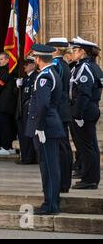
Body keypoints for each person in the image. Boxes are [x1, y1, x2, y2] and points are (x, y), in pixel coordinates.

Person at [26, 44, 65, 215]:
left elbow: (43, 104)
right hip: (50, 125)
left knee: (48, 167)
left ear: (38, 59)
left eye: (34, 57)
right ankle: (52, 200)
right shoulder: (52, 73)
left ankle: (50, 204)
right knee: (51, 165)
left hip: (46, 127)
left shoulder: (44, 76)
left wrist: (39, 127)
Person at [69, 37, 102, 190]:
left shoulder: (85, 68)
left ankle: (89, 179)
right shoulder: (92, 66)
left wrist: (77, 114)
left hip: (85, 109)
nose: (73, 53)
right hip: (90, 108)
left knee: (87, 147)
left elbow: (84, 93)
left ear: (83, 52)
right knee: (90, 146)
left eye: (75, 50)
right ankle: (91, 177)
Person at [48, 38, 73, 193]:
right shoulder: (63, 64)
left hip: (58, 110)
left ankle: (62, 182)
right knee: (64, 147)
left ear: (55, 50)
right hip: (63, 110)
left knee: (61, 148)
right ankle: (64, 182)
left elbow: (54, 89)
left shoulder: (56, 65)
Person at [0, 52, 18, 155]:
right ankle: (10, 146)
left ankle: (6, 147)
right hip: (7, 104)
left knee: (4, 127)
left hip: (4, 105)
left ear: (7, 59)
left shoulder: (5, 71)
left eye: (1, 59)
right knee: (8, 126)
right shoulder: (10, 70)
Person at [15, 57, 38, 165]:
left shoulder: (35, 76)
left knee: (28, 135)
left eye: (27, 64)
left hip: (29, 110)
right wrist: (19, 86)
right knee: (23, 135)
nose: (24, 66)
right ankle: (25, 157)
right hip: (22, 110)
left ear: (33, 65)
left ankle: (29, 158)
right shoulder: (26, 78)